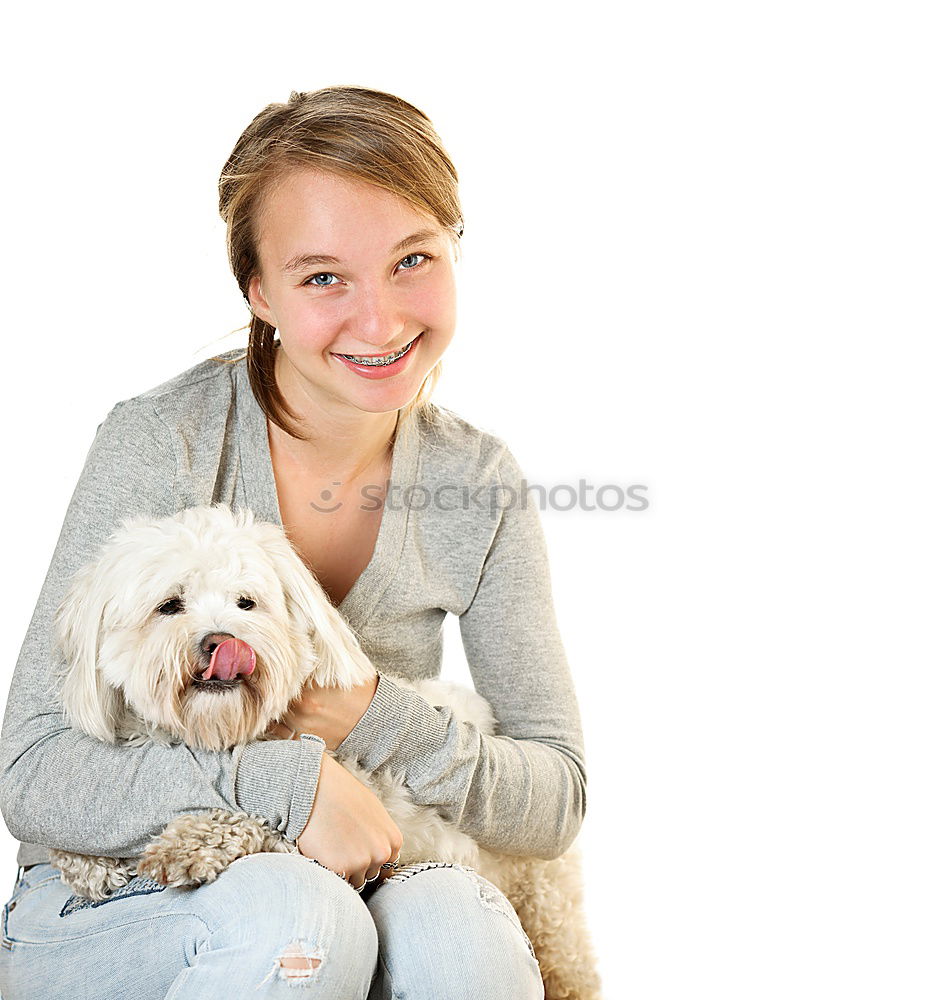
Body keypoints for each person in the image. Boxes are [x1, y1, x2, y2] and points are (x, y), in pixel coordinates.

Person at [0, 86, 586, 998]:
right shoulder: (165, 442)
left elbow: (552, 803)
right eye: (322, 277)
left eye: (412, 259)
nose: (380, 319)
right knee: (297, 923)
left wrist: (368, 717)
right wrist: (291, 782)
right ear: (259, 291)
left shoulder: (477, 483)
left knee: (458, 928)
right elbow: (36, 771)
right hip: (124, 895)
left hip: (369, 876)